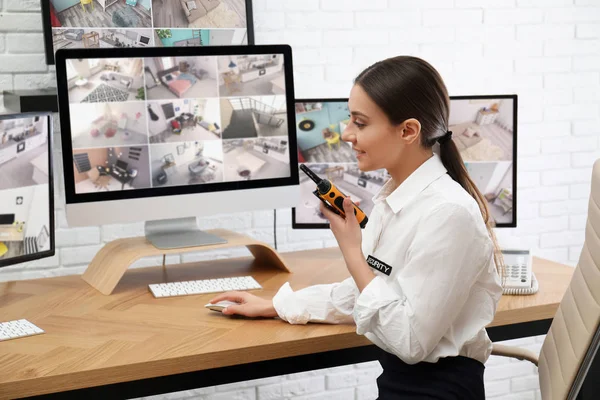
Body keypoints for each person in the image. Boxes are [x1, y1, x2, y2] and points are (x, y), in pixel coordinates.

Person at [209, 56, 504, 399]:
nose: (346, 134)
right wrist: (276, 305)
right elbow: (363, 294)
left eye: (360, 123)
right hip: (402, 385)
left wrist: (352, 251)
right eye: (350, 119)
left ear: (408, 130)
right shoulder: (393, 202)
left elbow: (409, 341)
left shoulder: (449, 214)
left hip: (438, 390)